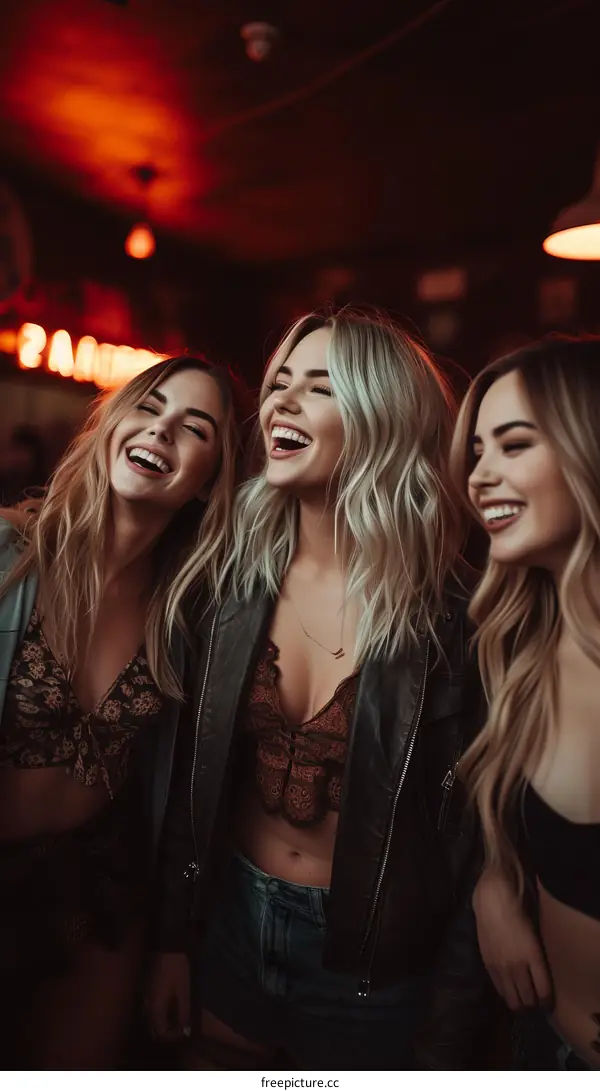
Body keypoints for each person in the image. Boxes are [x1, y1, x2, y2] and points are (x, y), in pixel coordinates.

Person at [148, 308, 492, 1070]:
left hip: (371, 967)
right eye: (278, 384)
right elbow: (186, 778)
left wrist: (450, 1032)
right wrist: (173, 938)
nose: (281, 403)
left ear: (381, 418)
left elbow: (475, 847)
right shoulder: (225, 581)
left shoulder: (455, 623)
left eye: (319, 387)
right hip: (229, 921)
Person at [0, 353, 246, 1069]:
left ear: (212, 476)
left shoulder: (189, 616)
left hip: (97, 885)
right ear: (112, 422)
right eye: (149, 405)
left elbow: (179, 805)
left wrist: (171, 939)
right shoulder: (10, 550)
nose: (162, 429)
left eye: (194, 427)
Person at [450, 335, 600, 1070]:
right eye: (477, 452)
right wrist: (496, 883)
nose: (479, 476)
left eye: (512, 444)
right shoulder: (520, 650)